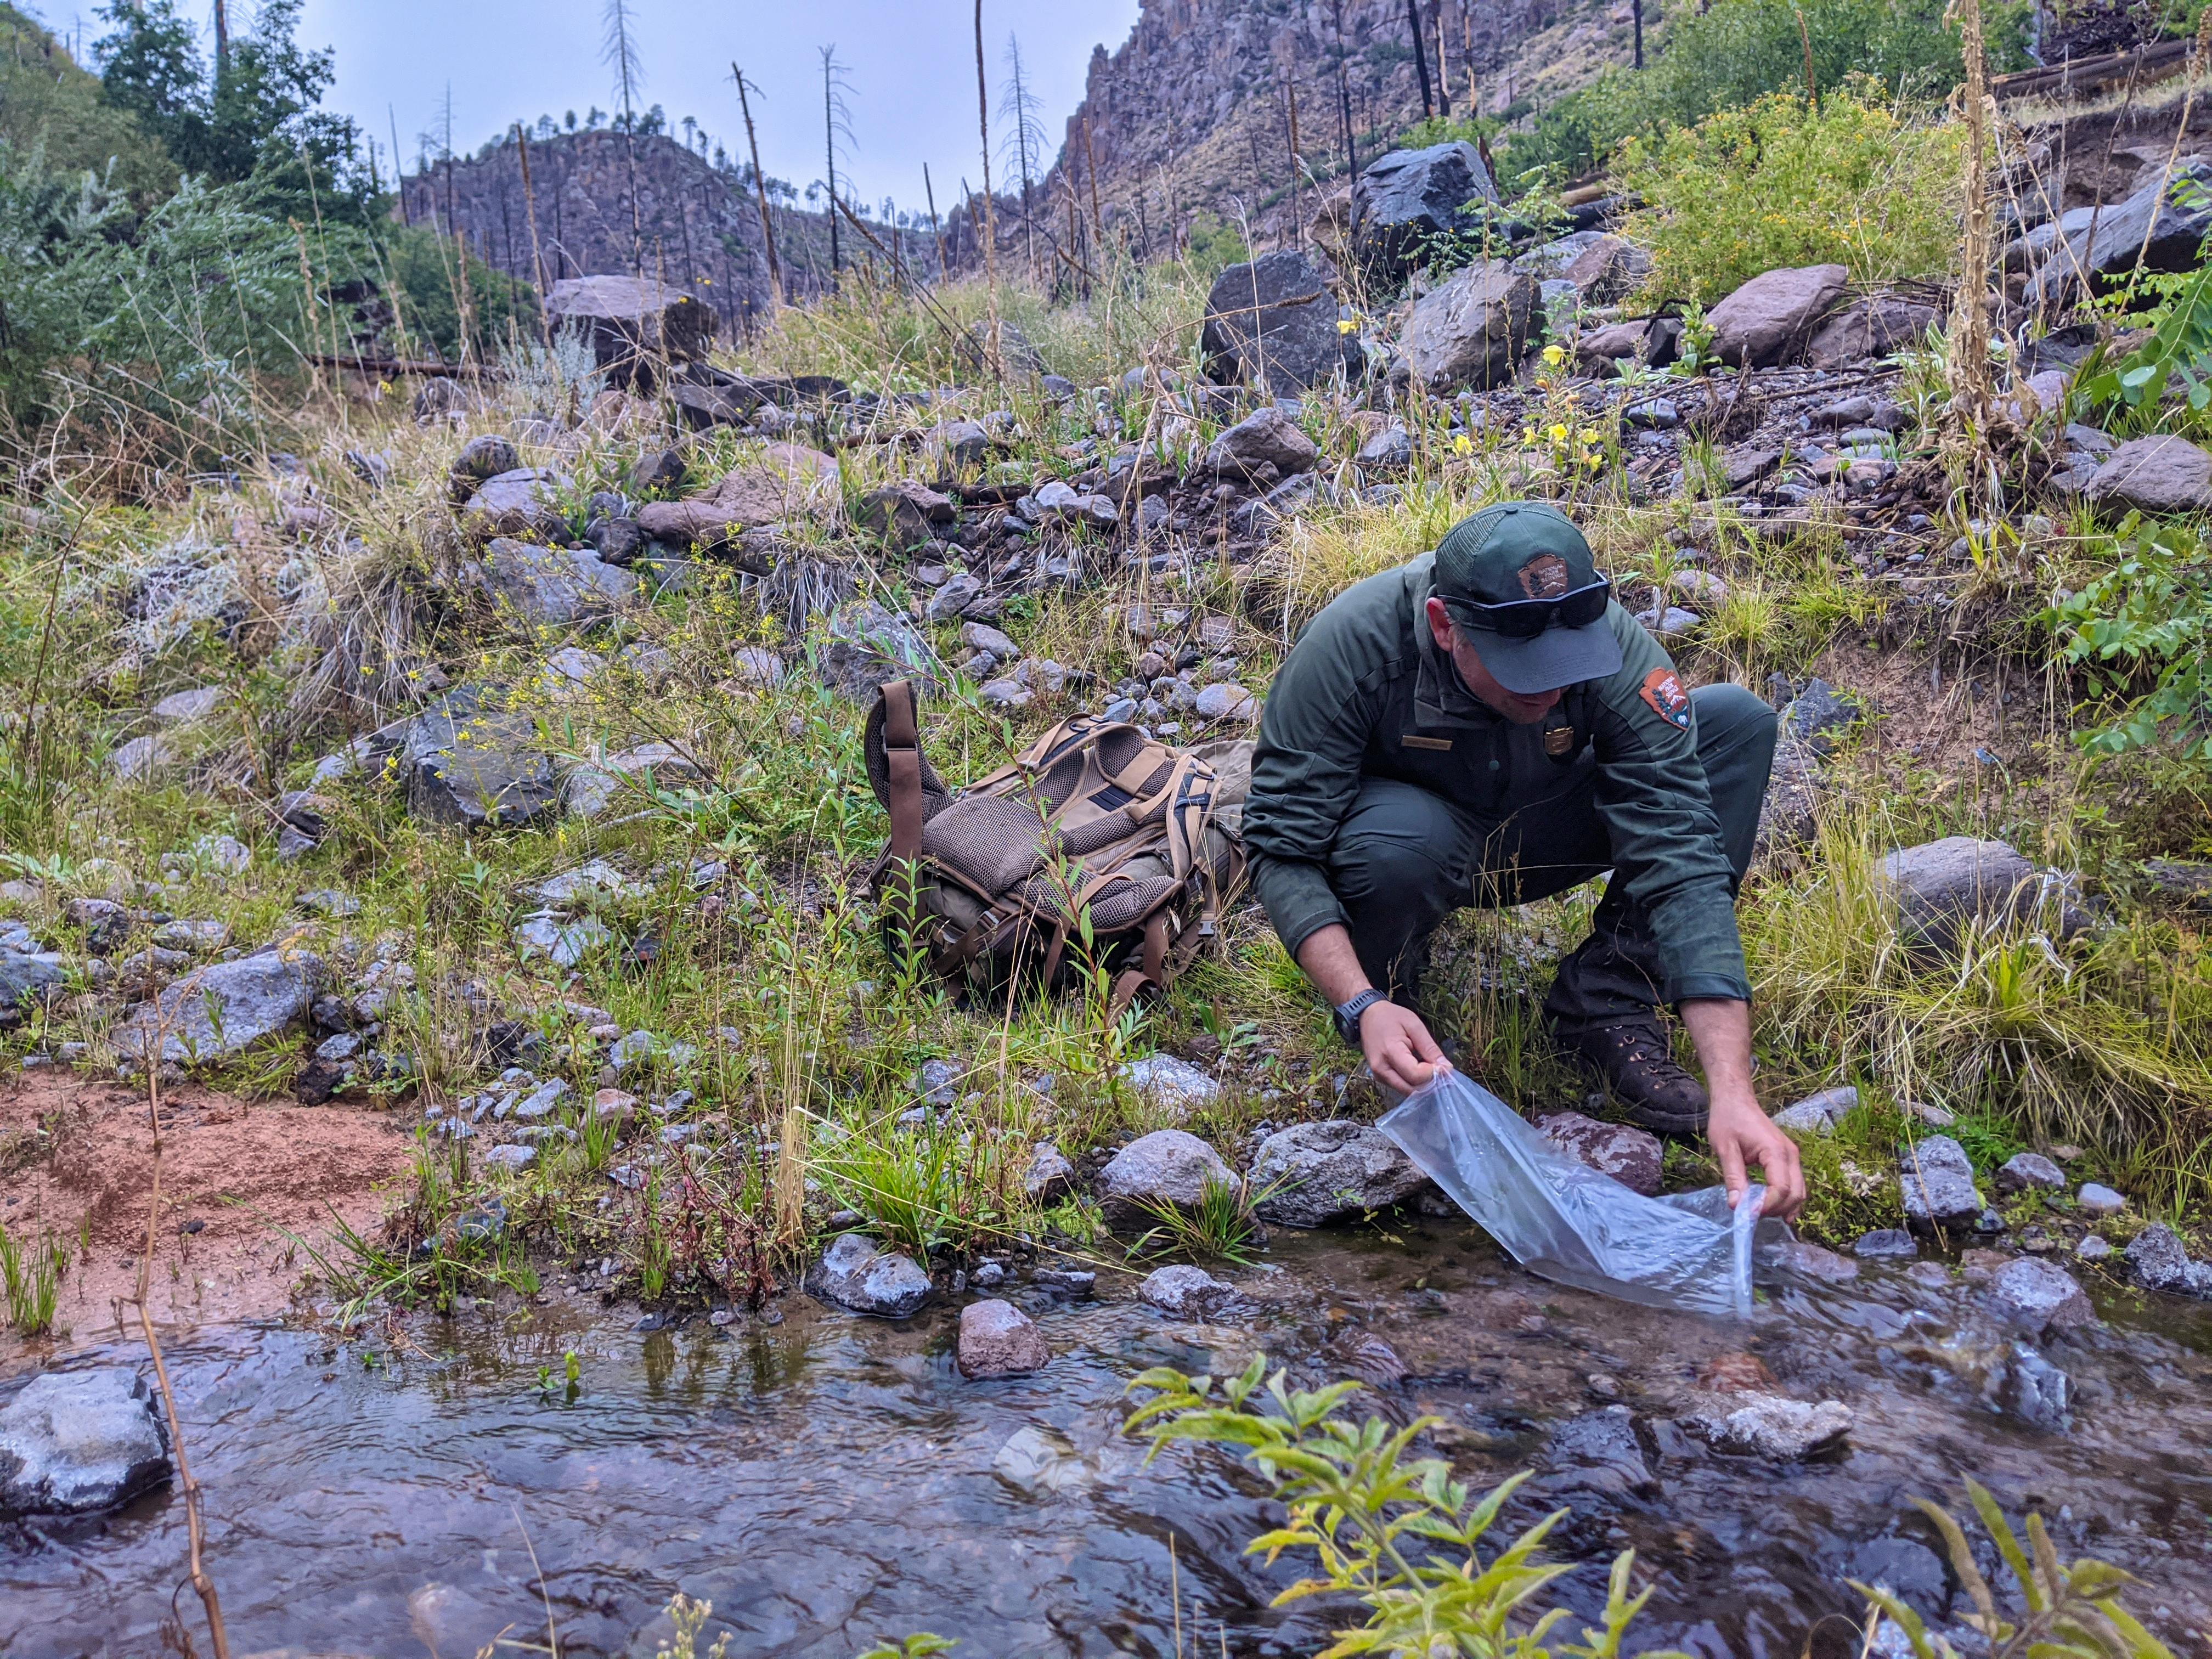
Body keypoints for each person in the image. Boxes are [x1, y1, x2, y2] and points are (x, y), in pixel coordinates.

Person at [1241, 500, 1805, 1217]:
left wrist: (1734, 1091)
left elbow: (1683, 853)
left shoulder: (1612, 649)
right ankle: (1396, 999)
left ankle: (1609, 999)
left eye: (1566, 665)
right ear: (1448, 627)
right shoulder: (1355, 643)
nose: (1550, 687)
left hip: (1547, 827)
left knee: (1733, 723)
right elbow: (1279, 845)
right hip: (1414, 844)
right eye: (1523, 668)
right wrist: (1360, 1003)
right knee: (1398, 850)